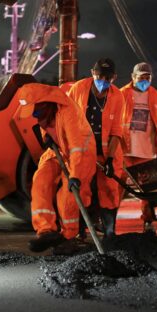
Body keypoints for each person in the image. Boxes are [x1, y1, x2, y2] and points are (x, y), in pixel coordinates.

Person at [16, 83, 97, 252]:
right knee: (40, 181)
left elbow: (76, 146)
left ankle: (68, 236)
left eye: (35, 111)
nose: (34, 115)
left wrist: (74, 175)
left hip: (81, 154)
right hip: (58, 151)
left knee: (67, 195)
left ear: (45, 103)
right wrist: (47, 137)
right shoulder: (45, 111)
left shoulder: (68, 112)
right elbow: (46, 126)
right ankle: (45, 231)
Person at [67, 58, 125, 238]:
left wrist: (109, 159)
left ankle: (109, 231)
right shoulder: (78, 89)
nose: (103, 82)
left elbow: (116, 131)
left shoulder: (118, 96)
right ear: (93, 73)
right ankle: (81, 230)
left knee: (109, 189)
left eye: (107, 79)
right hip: (82, 151)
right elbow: (66, 115)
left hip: (107, 152)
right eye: (100, 77)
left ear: (114, 78)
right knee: (82, 188)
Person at [119, 62, 157, 233]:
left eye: (147, 78)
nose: (144, 81)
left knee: (147, 189)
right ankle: (108, 222)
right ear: (133, 77)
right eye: (141, 77)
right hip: (123, 148)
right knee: (115, 187)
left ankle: (148, 221)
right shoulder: (121, 94)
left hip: (146, 150)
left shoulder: (156, 96)